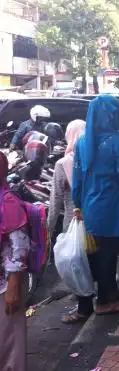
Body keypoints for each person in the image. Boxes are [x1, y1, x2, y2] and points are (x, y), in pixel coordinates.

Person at [69, 95, 119, 322]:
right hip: (111, 207)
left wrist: (78, 205)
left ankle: (110, 291)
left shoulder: (82, 143)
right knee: (108, 254)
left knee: (100, 254)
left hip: (90, 207)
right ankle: (104, 301)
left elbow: (77, 179)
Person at [0, 152, 30, 371]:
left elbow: (19, 246)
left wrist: (13, 286)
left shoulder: (7, 201)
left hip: (5, 286)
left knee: (9, 345)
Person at [47, 120, 86, 237]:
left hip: (73, 224)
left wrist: (49, 228)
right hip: (96, 220)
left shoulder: (63, 163)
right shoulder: (96, 158)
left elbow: (56, 199)